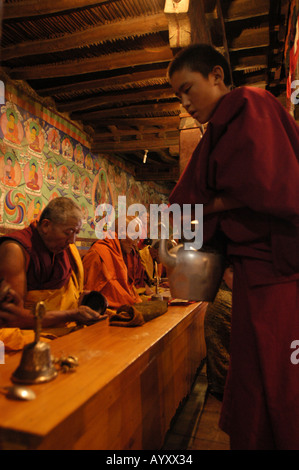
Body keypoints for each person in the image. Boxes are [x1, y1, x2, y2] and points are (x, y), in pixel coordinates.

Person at [167, 44, 299, 450]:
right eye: (178, 96)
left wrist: (207, 207)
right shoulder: (220, 127)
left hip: (278, 271)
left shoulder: (248, 102)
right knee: (254, 374)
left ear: (218, 76)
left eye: (188, 88)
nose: (185, 102)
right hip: (250, 273)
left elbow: (268, 184)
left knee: (280, 374)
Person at [0, 197, 101, 342]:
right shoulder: (15, 249)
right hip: (29, 333)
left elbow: (64, 296)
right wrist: (71, 314)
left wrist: (81, 301)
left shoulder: (65, 250)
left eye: (76, 232)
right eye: (68, 232)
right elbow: (12, 318)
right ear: (46, 225)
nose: (73, 240)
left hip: (62, 326)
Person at [83, 216, 142, 308]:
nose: (136, 244)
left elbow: (127, 287)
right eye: (134, 237)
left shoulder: (121, 252)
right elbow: (88, 295)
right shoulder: (98, 253)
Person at [204, 265, 233, 401]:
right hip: (226, 381)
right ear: (222, 275)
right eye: (232, 271)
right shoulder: (224, 300)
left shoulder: (225, 292)